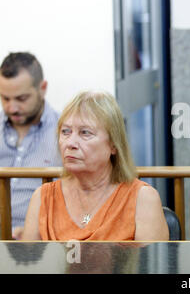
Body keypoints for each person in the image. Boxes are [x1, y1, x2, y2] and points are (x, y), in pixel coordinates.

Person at [22, 91, 169, 241]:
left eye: (85, 133)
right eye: (65, 132)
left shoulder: (142, 199)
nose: (70, 143)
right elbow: (28, 263)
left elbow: (154, 264)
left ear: (113, 144)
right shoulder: (42, 198)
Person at [0, 52, 61, 239]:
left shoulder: (66, 133)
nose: (12, 108)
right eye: (5, 98)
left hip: (37, 241)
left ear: (42, 88)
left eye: (21, 98)